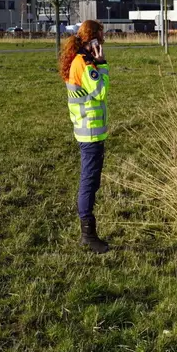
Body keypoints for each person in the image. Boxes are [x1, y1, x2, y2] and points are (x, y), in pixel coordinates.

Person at [59, 20, 110, 254]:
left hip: (88, 131)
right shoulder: (84, 63)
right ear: (93, 40)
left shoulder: (81, 60)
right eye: (101, 38)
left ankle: (88, 233)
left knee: (92, 181)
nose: (103, 42)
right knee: (89, 182)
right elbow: (100, 92)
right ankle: (88, 235)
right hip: (89, 133)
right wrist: (103, 64)